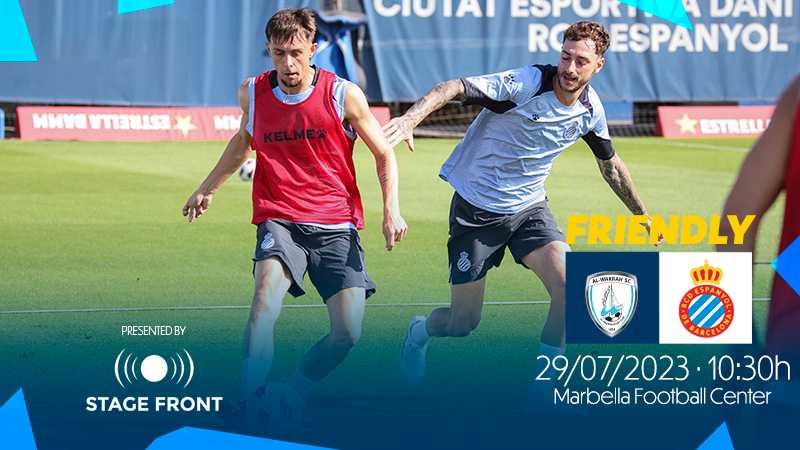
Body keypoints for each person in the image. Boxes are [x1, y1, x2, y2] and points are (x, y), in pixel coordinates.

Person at [383, 21, 658, 385]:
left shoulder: (590, 110)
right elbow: (454, 86)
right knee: (462, 323)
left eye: (581, 61)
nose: (570, 68)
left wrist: (642, 215)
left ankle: (545, 390)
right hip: (477, 211)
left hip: (529, 210)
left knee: (571, 287)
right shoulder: (526, 84)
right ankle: (419, 332)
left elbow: (612, 167)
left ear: (598, 65)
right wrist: (410, 119)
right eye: (566, 56)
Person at [181, 8, 407, 430]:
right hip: (279, 217)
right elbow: (242, 142)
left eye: (296, 53)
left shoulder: (343, 94)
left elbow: (383, 153)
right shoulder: (252, 92)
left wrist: (391, 209)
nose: (288, 64)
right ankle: (249, 402)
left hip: (336, 223)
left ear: (313, 49)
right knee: (264, 301)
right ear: (268, 50)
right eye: (279, 53)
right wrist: (207, 188)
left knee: (347, 333)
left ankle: (294, 392)